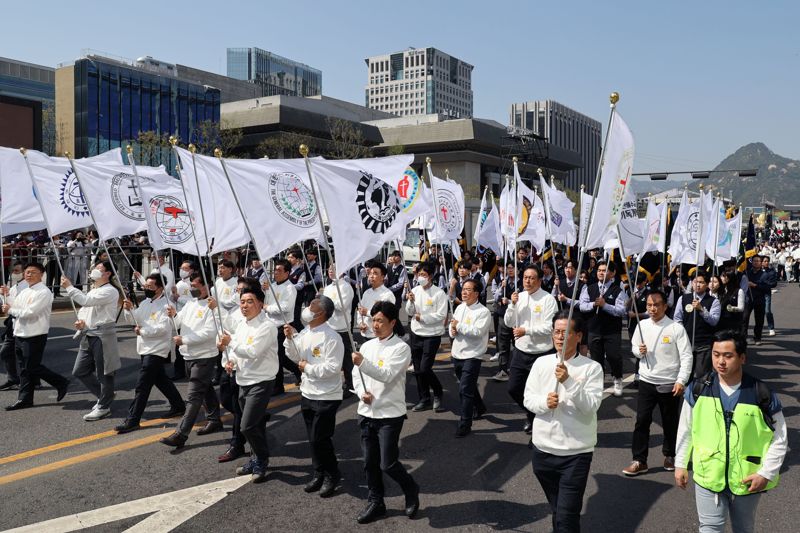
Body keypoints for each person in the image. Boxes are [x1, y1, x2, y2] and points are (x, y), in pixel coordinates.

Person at [675, 330, 787, 533]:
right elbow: (686, 428)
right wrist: (680, 464)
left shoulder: (761, 393)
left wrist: (766, 473)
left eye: (728, 355)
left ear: (742, 358)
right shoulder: (699, 389)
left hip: (748, 478)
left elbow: (779, 438)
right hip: (708, 475)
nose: (721, 361)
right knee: (709, 527)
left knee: (743, 528)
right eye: (716, 354)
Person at [523, 310, 604, 532]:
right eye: (556, 332)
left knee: (567, 515)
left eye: (566, 332)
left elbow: (590, 406)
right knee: (559, 510)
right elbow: (528, 399)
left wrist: (568, 380)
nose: (559, 337)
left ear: (578, 336)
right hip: (543, 453)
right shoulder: (541, 363)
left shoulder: (592, 368)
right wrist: (544, 403)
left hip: (575, 455)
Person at [351, 301, 420, 524]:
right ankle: (376, 502)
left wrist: (362, 364)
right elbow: (356, 376)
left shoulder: (401, 348)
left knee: (387, 463)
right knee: (369, 462)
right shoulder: (367, 345)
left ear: (392, 322)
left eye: (380, 320)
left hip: (390, 414)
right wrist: (362, 393)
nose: (375, 324)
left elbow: (387, 374)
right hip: (366, 412)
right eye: (373, 320)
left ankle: (410, 488)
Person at [622, 290, 693, 476]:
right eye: (649, 305)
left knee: (670, 421)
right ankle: (639, 460)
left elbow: (686, 356)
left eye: (656, 305)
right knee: (642, 421)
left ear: (665, 306)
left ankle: (671, 455)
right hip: (646, 381)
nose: (652, 309)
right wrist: (639, 351)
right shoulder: (641, 325)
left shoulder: (676, 328)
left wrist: (681, 380)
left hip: (669, 383)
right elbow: (634, 347)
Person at [216, 285, 278, 484]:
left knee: (247, 426)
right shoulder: (242, 324)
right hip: (243, 379)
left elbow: (252, 351)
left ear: (260, 303)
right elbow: (238, 351)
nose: (245, 305)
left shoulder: (267, 327)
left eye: (250, 301)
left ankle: (261, 458)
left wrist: (230, 343)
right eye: (242, 302)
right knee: (255, 424)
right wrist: (231, 361)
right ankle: (255, 458)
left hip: (261, 381)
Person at [284, 296, 344, 497]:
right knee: (312, 438)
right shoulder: (305, 332)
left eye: (311, 307)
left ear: (321, 313)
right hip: (308, 393)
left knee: (321, 438)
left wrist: (307, 368)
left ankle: (332, 474)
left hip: (327, 396)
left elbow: (333, 369)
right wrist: (290, 338)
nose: (306, 309)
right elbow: (294, 356)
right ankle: (319, 473)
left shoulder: (332, 337)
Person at [115, 274, 185, 433]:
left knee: (142, 385)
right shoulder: (146, 302)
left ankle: (133, 419)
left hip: (157, 349)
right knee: (160, 379)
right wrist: (129, 309)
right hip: (145, 347)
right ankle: (179, 405)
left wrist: (143, 331)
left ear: (160, 288)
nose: (146, 289)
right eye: (145, 286)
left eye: (150, 287)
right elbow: (134, 320)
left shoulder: (167, 305)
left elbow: (163, 328)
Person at [160, 272, 223, 448]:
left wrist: (185, 340)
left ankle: (181, 433)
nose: (192, 289)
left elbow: (210, 333)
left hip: (204, 356)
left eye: (195, 286)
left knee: (194, 395)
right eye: (191, 287)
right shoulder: (190, 303)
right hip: (189, 354)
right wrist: (173, 315)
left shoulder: (213, 306)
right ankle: (214, 419)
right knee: (205, 388)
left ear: (206, 286)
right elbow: (179, 322)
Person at [2, 262, 69, 410]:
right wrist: (6, 295)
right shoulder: (25, 291)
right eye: (27, 272)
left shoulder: (44, 292)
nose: (29, 275)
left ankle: (61, 382)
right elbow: (15, 306)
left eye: (33, 272)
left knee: (32, 366)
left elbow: (30, 313)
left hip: (35, 334)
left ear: (42, 274)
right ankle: (25, 399)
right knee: (24, 369)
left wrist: (11, 310)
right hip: (20, 333)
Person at [63, 261, 122, 421]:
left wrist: (69, 286)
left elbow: (85, 301)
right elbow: (85, 309)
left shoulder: (110, 291)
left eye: (99, 269)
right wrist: (81, 321)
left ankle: (104, 406)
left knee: (105, 372)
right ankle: (105, 395)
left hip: (103, 335)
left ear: (108, 273)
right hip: (88, 333)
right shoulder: (95, 289)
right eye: (95, 268)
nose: (94, 270)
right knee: (79, 370)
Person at [504, 264, 558, 434]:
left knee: (540, 391)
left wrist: (526, 330)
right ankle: (532, 413)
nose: (527, 280)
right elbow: (508, 322)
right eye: (525, 277)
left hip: (542, 353)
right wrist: (512, 305)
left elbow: (550, 327)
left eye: (531, 277)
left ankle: (540, 427)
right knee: (514, 388)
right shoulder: (518, 297)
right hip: (521, 351)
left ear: (539, 280)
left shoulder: (548, 299)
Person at [217, 276, 262, 463]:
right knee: (227, 401)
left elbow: (247, 346)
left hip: (244, 370)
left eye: (242, 292)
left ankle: (237, 444)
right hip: (228, 364)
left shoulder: (257, 320)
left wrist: (232, 348)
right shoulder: (237, 313)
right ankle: (253, 419)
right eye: (238, 293)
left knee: (238, 408)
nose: (239, 296)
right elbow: (222, 330)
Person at [579, 261, 628, 397]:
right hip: (594, 329)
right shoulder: (590, 288)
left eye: (604, 270)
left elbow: (622, 310)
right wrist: (594, 305)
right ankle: (598, 383)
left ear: (612, 273)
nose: (601, 272)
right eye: (599, 270)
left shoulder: (618, 290)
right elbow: (582, 306)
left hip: (612, 331)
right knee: (596, 358)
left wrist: (605, 305)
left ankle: (617, 379)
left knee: (614, 356)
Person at [449, 278, 491, 437]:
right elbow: (452, 325)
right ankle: (479, 406)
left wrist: (458, 326)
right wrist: (452, 331)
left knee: (465, 389)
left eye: (468, 289)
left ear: (477, 293)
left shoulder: (483, 312)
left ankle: (465, 423)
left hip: (473, 355)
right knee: (468, 386)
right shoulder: (460, 308)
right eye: (463, 289)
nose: (464, 292)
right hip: (457, 353)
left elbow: (477, 332)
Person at [404, 261, 448, 413]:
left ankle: (437, 391)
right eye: (419, 274)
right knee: (417, 369)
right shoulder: (415, 290)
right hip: (416, 333)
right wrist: (410, 301)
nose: (420, 277)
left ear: (430, 276)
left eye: (423, 275)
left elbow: (441, 315)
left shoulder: (439, 293)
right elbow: (409, 312)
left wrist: (422, 317)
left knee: (424, 368)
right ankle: (424, 399)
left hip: (432, 335)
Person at [263, 258, 301, 395]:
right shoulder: (272, 286)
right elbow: (266, 302)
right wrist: (265, 292)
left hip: (283, 325)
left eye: (279, 270)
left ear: (287, 273)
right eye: (275, 270)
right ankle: (297, 369)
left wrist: (268, 308)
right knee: (278, 355)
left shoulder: (290, 288)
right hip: (270, 325)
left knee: (278, 356)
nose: (276, 273)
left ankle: (278, 386)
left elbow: (286, 307)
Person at [674, 271, 721, 379]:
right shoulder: (683, 298)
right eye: (695, 282)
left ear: (707, 284)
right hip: (686, 342)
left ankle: (698, 394)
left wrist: (701, 309)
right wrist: (682, 334)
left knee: (701, 375)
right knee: (685, 374)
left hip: (703, 344)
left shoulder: (714, 301)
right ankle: (687, 395)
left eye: (701, 282)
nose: (698, 285)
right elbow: (677, 319)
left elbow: (714, 321)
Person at [321, 264, 355, 397]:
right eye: (329, 269)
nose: (330, 272)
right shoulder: (328, 288)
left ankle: (350, 385)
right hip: (328, 326)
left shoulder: (346, 287)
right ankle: (331, 382)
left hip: (342, 328)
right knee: (329, 356)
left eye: (334, 270)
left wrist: (327, 302)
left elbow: (341, 306)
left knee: (346, 358)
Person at [170, 260, 198, 380]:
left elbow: (194, 301)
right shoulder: (179, 283)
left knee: (189, 342)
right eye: (181, 268)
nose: (182, 270)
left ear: (192, 270)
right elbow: (172, 299)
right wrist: (173, 295)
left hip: (190, 317)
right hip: (179, 317)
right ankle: (179, 371)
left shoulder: (193, 283)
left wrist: (178, 297)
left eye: (185, 268)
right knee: (179, 345)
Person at [490, 261, 518, 382]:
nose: (510, 270)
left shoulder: (521, 283)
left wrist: (511, 302)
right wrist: (502, 287)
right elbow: (496, 298)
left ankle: (516, 369)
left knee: (517, 345)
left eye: (513, 268)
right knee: (503, 345)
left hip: (517, 318)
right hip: (503, 316)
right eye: (508, 268)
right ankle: (502, 369)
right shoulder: (502, 282)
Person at [356, 262, 395, 340]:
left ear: (382, 277)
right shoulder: (366, 292)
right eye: (370, 273)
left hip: (379, 336)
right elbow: (360, 310)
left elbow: (386, 316)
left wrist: (367, 312)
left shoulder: (387, 294)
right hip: (365, 333)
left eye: (375, 273)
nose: (371, 276)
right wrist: (360, 323)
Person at [760, 256, 778, 336]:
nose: (766, 262)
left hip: (766, 293)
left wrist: (764, 284)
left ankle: (771, 328)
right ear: (761, 262)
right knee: (758, 313)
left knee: (767, 311)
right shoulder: (756, 271)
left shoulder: (772, 271)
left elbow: (774, 283)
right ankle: (758, 330)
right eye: (764, 261)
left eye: (767, 261)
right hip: (756, 294)